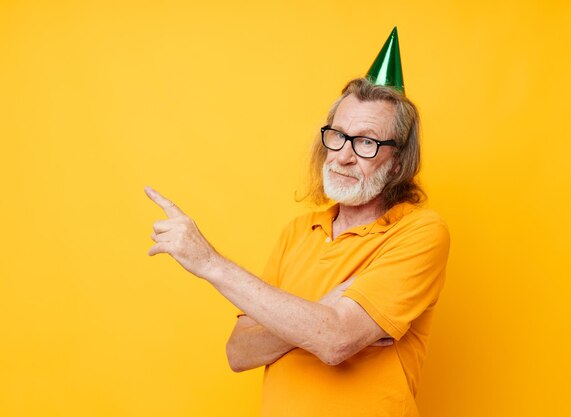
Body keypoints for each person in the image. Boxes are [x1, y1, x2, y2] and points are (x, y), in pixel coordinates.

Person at [145, 28, 449, 417]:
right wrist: (321, 313)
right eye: (337, 136)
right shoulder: (297, 232)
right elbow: (239, 353)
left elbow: (336, 341)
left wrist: (210, 263)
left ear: (397, 162)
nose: (342, 156)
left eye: (366, 142)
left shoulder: (420, 232)